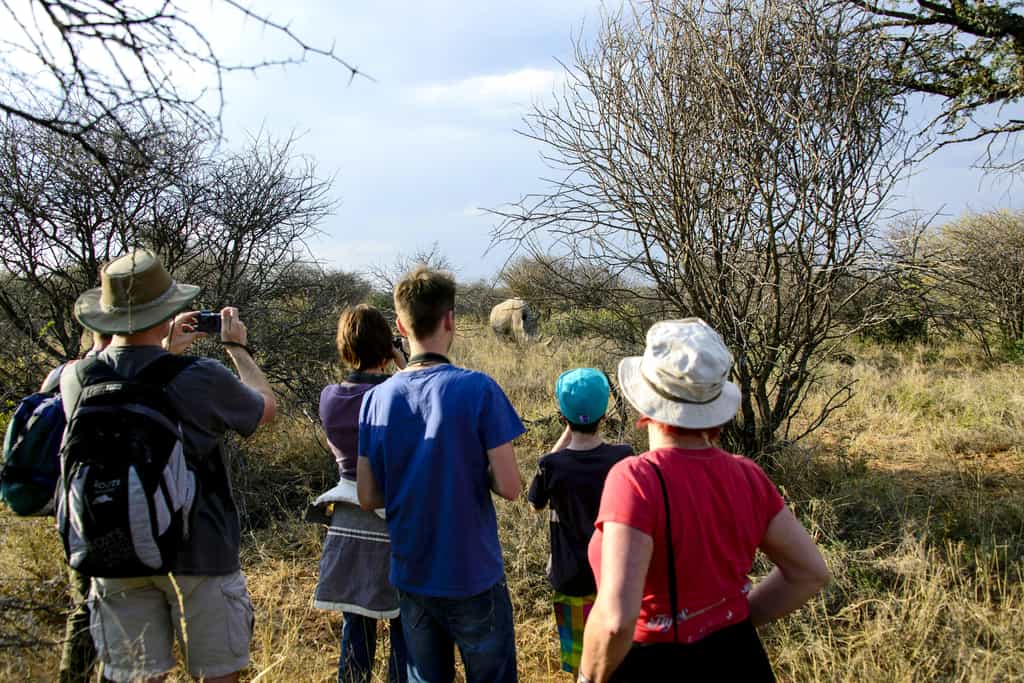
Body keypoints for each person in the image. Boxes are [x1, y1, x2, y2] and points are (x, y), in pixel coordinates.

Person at [61, 248, 277, 683]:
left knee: (134, 675)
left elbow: (127, 377)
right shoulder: (200, 374)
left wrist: (161, 346)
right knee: (217, 674)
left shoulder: (76, 379)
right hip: (200, 549)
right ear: (166, 311)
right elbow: (264, 410)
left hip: (114, 550)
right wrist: (238, 350)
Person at [578, 319, 830, 683]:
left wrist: (588, 677)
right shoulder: (748, 475)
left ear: (646, 401)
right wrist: (731, 618)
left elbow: (616, 621)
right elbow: (810, 574)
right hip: (738, 658)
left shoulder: (635, 479)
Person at [356, 267, 525, 683]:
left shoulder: (375, 399)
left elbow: (367, 496)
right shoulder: (479, 389)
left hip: (412, 575)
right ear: (450, 319)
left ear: (400, 325)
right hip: (473, 575)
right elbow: (510, 487)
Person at [312, 304, 408, 683]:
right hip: (394, 514)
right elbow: (419, 392)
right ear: (386, 348)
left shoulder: (330, 398)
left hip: (349, 515)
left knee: (357, 624)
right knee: (404, 623)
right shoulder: (396, 394)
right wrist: (403, 364)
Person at [527, 368, 633, 676]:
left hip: (571, 579)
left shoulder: (551, 465)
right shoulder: (623, 456)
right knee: (620, 660)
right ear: (604, 413)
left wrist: (566, 434)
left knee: (582, 663)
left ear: (562, 416)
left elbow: (534, 504)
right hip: (617, 578)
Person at [52, 330, 111, 683]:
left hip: (73, 500)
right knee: (101, 602)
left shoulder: (67, 371)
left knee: (85, 601)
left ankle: (74, 674)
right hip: (107, 500)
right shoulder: (102, 373)